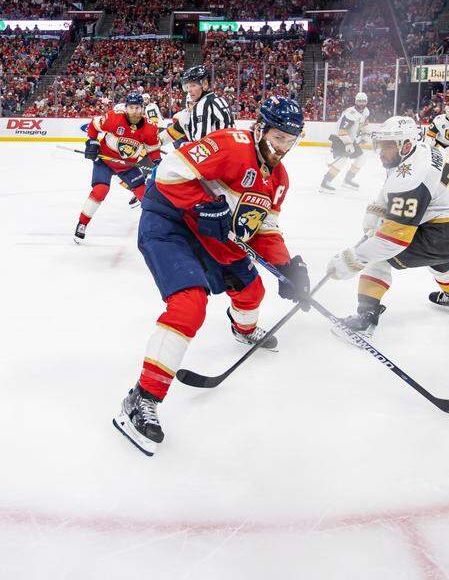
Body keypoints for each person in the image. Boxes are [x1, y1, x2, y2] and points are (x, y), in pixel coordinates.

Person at [113, 96, 311, 456]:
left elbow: (264, 226)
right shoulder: (231, 145)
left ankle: (243, 329)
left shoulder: (279, 179)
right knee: (190, 305)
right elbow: (168, 172)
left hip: (212, 233)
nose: (283, 147)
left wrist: (286, 267)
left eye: (290, 140)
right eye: (278, 137)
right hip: (170, 222)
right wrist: (204, 204)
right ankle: (142, 397)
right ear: (260, 128)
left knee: (252, 289)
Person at [324, 116, 449, 338]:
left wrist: (353, 259)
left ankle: (365, 320)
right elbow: (392, 184)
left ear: (405, 145)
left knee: (378, 256)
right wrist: (376, 212)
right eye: (380, 145)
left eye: (388, 146)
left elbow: (392, 242)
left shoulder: (412, 176)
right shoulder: (420, 150)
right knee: (441, 262)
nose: (381, 152)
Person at [75, 91, 161, 244]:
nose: (134, 111)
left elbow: (152, 149)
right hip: (105, 161)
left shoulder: (149, 128)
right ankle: (82, 223)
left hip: (127, 166)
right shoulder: (114, 118)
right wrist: (92, 142)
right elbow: (94, 124)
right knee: (100, 190)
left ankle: (158, 226)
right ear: (126, 108)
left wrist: (157, 162)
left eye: (137, 108)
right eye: (131, 107)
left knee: (144, 194)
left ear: (142, 108)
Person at [163, 65, 233, 147]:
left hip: (219, 156)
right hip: (230, 151)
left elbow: (201, 146)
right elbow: (174, 131)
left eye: (193, 85)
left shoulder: (202, 105)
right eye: (188, 86)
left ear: (205, 84)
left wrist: (183, 146)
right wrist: (155, 141)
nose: (189, 90)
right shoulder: (221, 100)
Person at [320, 92, 371, 193]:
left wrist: (366, 134)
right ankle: (325, 183)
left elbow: (364, 123)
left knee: (361, 157)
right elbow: (342, 131)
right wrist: (348, 145)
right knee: (342, 161)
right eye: (359, 101)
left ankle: (348, 180)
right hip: (339, 138)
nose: (361, 103)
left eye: (363, 101)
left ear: (366, 102)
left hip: (349, 139)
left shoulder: (365, 111)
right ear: (355, 101)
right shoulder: (350, 113)